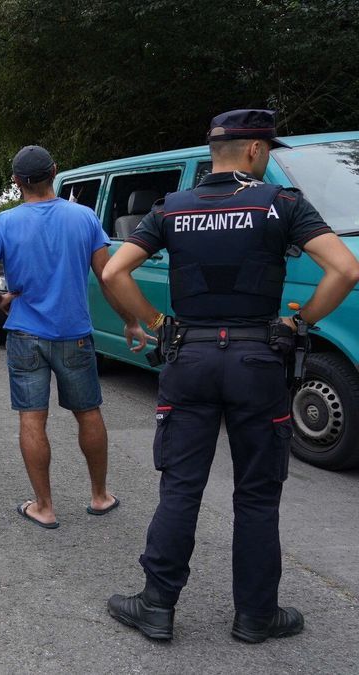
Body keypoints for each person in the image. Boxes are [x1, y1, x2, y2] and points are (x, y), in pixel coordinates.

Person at [102, 109, 359, 643]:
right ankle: (255, 615)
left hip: (189, 359)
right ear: (253, 151)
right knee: (258, 496)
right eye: (267, 149)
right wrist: (300, 321)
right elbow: (346, 268)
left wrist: (155, 323)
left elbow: (113, 270)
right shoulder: (281, 204)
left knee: (181, 487)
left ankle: (156, 607)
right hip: (257, 362)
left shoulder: (172, 208)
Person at [0, 145, 129, 529]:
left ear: (17, 181)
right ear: (54, 171)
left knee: (32, 419)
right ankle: (100, 496)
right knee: (88, 412)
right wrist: (130, 321)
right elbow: (108, 277)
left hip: (24, 334)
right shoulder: (84, 218)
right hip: (74, 335)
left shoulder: (4, 223)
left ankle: (44, 506)